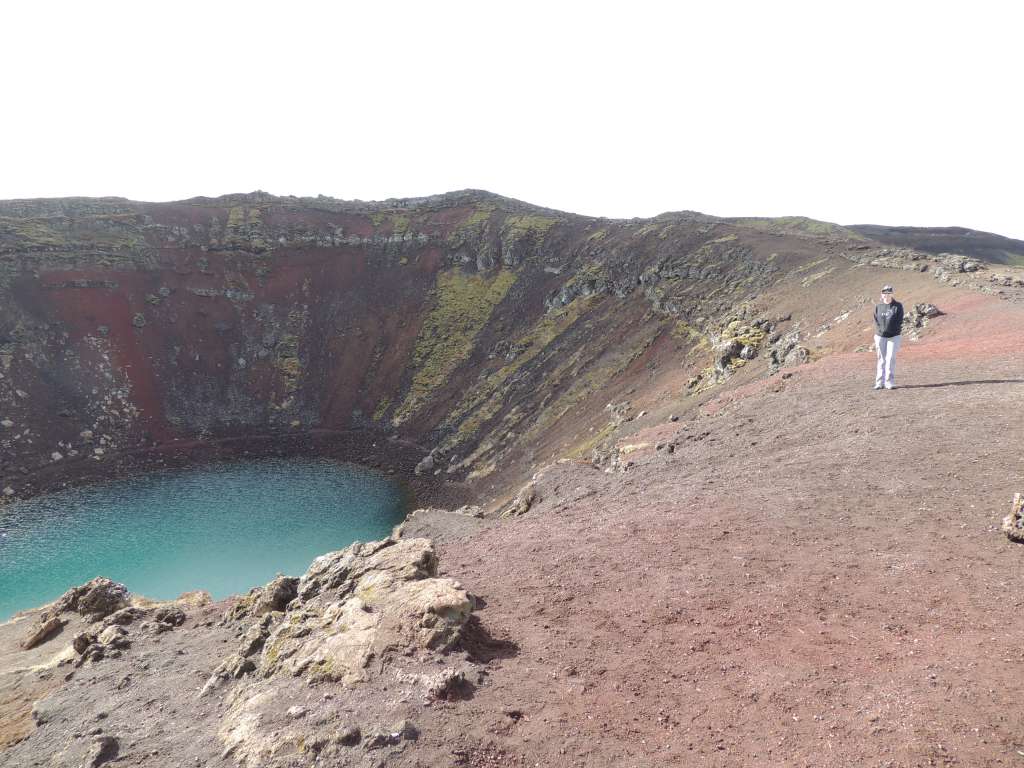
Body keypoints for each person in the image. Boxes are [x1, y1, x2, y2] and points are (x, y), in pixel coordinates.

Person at [873, 284, 904, 390]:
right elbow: (876, 320)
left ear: (892, 294)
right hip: (880, 336)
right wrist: (880, 331)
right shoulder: (878, 306)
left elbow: (899, 320)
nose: (887, 295)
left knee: (890, 358)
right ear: (882, 295)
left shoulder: (897, 306)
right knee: (881, 359)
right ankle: (879, 382)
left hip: (894, 336)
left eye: (889, 293)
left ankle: (889, 382)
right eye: (885, 293)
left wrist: (891, 330)